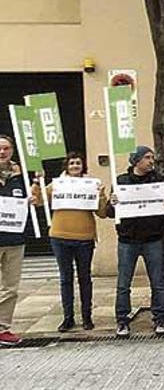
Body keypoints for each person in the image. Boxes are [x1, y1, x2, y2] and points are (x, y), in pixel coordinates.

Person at [33, 152, 109, 332]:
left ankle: (87, 317)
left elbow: (102, 213)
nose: (75, 166)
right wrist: (37, 182)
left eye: (78, 163)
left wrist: (101, 197)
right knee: (66, 279)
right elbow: (38, 201)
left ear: (83, 166)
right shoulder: (57, 184)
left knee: (85, 278)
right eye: (72, 163)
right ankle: (68, 318)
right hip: (60, 237)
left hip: (84, 238)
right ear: (66, 166)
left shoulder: (92, 184)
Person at [107, 146, 164, 337]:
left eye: (152, 157)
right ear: (136, 160)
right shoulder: (121, 181)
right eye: (147, 157)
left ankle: (160, 319)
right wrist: (112, 203)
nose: (151, 160)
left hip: (153, 239)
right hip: (127, 240)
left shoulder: (159, 181)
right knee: (123, 283)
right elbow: (110, 212)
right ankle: (122, 321)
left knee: (157, 282)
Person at [0, 134, 36, 346]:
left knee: (10, 288)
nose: (2, 152)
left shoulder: (21, 178)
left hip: (14, 240)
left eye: (6, 148)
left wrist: (32, 199)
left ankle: (3, 328)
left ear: (12, 151)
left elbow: (34, 202)